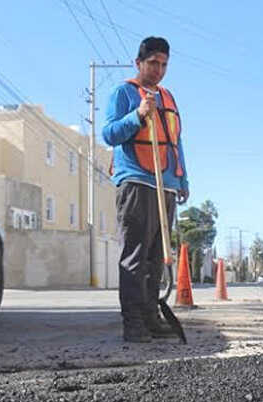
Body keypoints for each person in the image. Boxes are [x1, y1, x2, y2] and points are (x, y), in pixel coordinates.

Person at [102, 37, 190, 343]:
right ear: (138, 63)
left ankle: (152, 317)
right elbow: (109, 134)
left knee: (156, 258)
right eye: (153, 63)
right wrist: (138, 114)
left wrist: (182, 180)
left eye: (164, 64)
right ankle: (134, 322)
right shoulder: (123, 93)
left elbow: (175, 142)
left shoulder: (168, 97)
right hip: (136, 182)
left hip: (165, 186)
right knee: (135, 257)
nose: (159, 70)